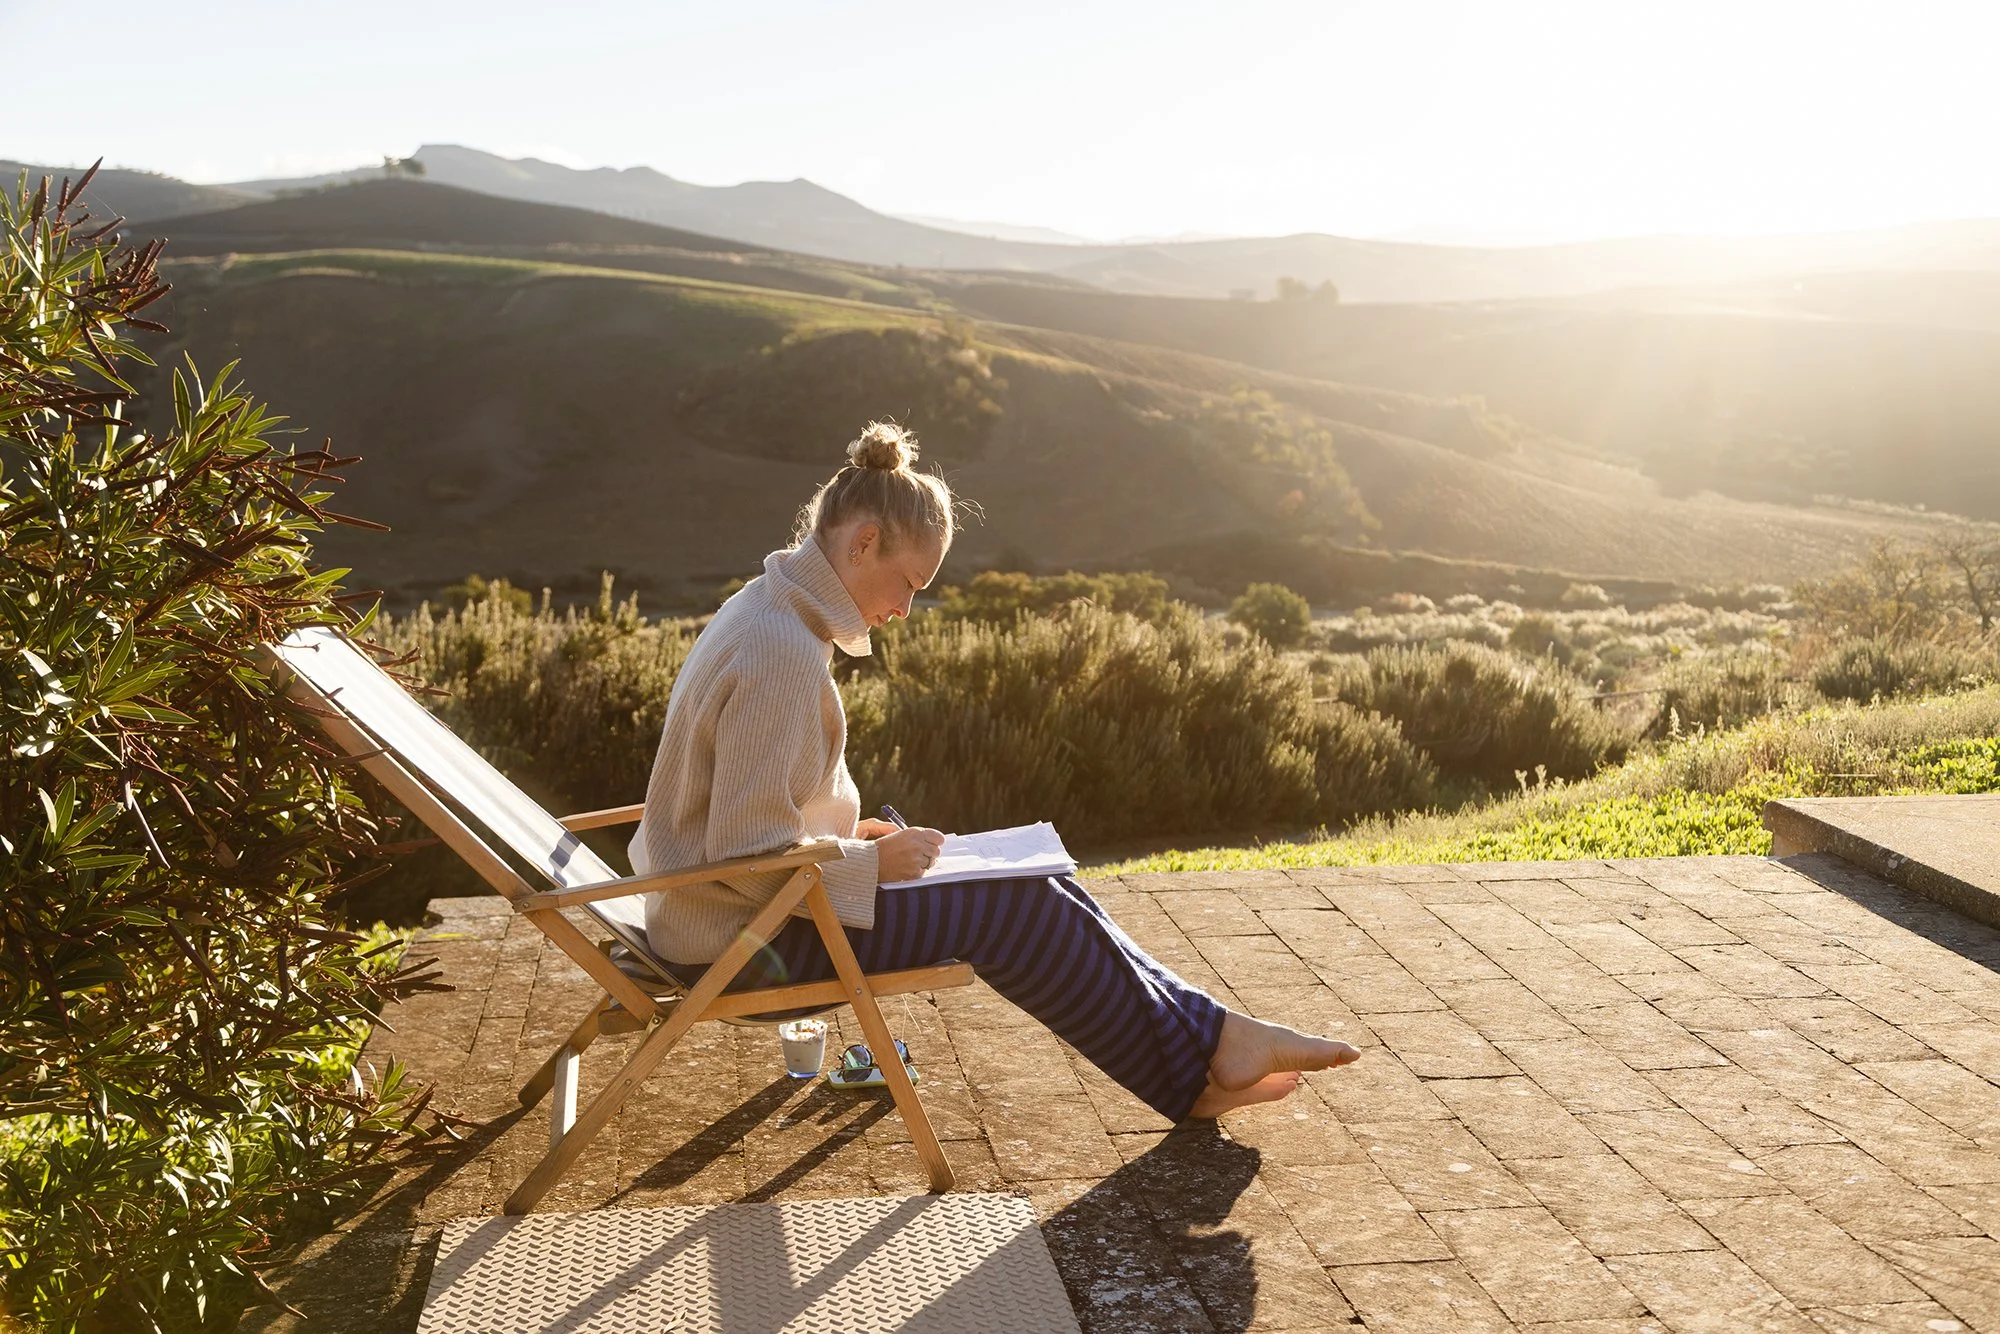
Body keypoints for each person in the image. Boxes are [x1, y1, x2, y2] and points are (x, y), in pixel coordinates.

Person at [630, 421, 1359, 1121]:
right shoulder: (779, 652)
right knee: (1017, 910)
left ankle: (1216, 1044)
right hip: (740, 944)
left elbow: (747, 812)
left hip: (743, 919)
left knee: (1040, 882)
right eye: (909, 583)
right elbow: (739, 854)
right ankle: (1206, 1065)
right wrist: (868, 865)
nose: (907, 610)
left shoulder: (769, 610)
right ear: (865, 542)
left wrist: (853, 839)